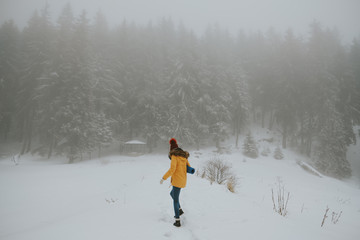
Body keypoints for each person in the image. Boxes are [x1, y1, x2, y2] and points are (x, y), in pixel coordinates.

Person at [160, 138, 191, 227]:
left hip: (177, 181)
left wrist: (163, 178)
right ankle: (180, 210)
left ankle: (177, 221)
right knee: (172, 194)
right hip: (182, 180)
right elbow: (188, 167)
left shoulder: (174, 156)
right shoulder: (183, 156)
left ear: (172, 151)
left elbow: (172, 169)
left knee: (175, 200)